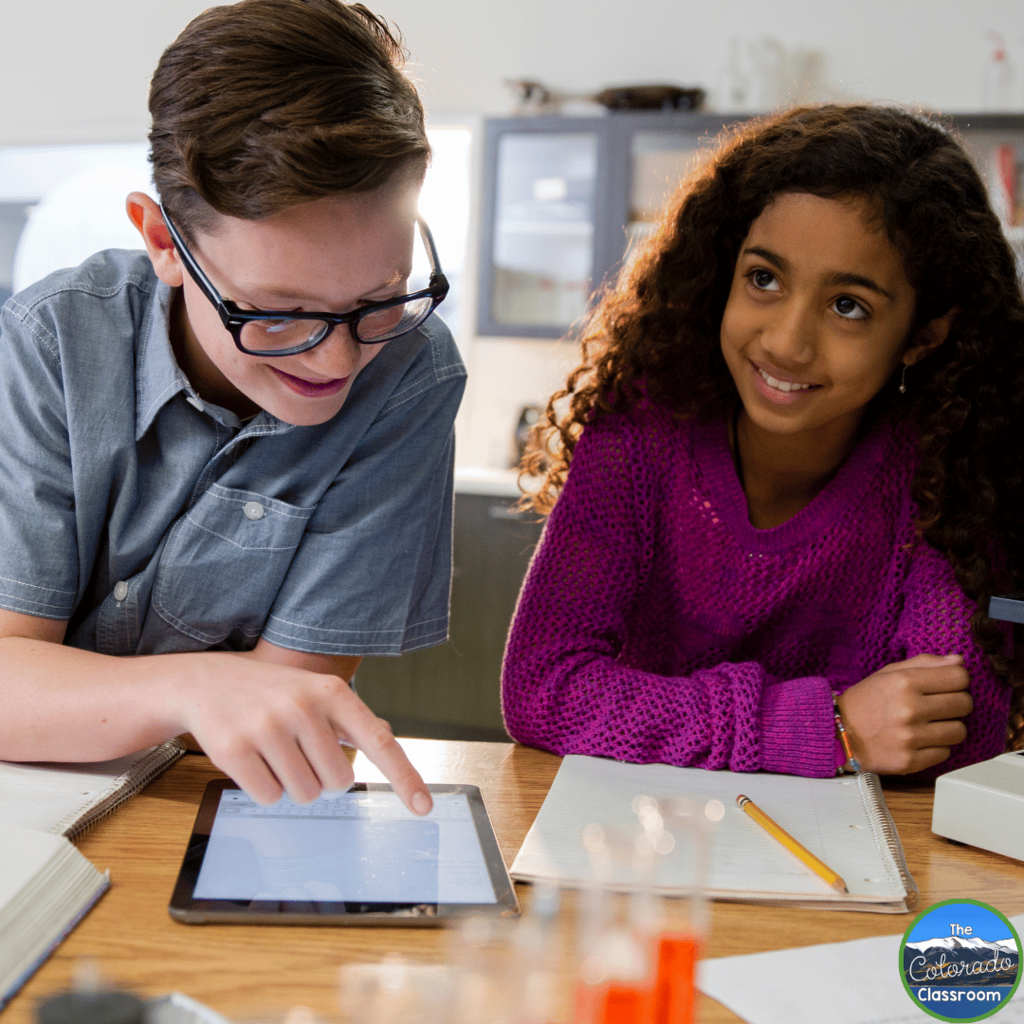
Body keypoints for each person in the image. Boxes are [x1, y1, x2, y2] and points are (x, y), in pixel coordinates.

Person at [0, 0, 466, 814]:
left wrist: (102, 699)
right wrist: (197, 683)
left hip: (186, 811)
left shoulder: (409, 377)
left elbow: (275, 719)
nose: (337, 360)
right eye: (276, 312)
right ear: (163, 243)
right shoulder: (52, 344)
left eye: (380, 296)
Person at [502, 103, 1024, 780]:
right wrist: (827, 729)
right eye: (764, 279)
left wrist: (661, 717)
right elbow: (543, 691)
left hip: (851, 866)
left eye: (849, 306)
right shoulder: (643, 426)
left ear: (924, 335)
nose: (785, 341)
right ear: (724, 272)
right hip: (637, 840)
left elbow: (951, 728)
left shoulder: (949, 466)